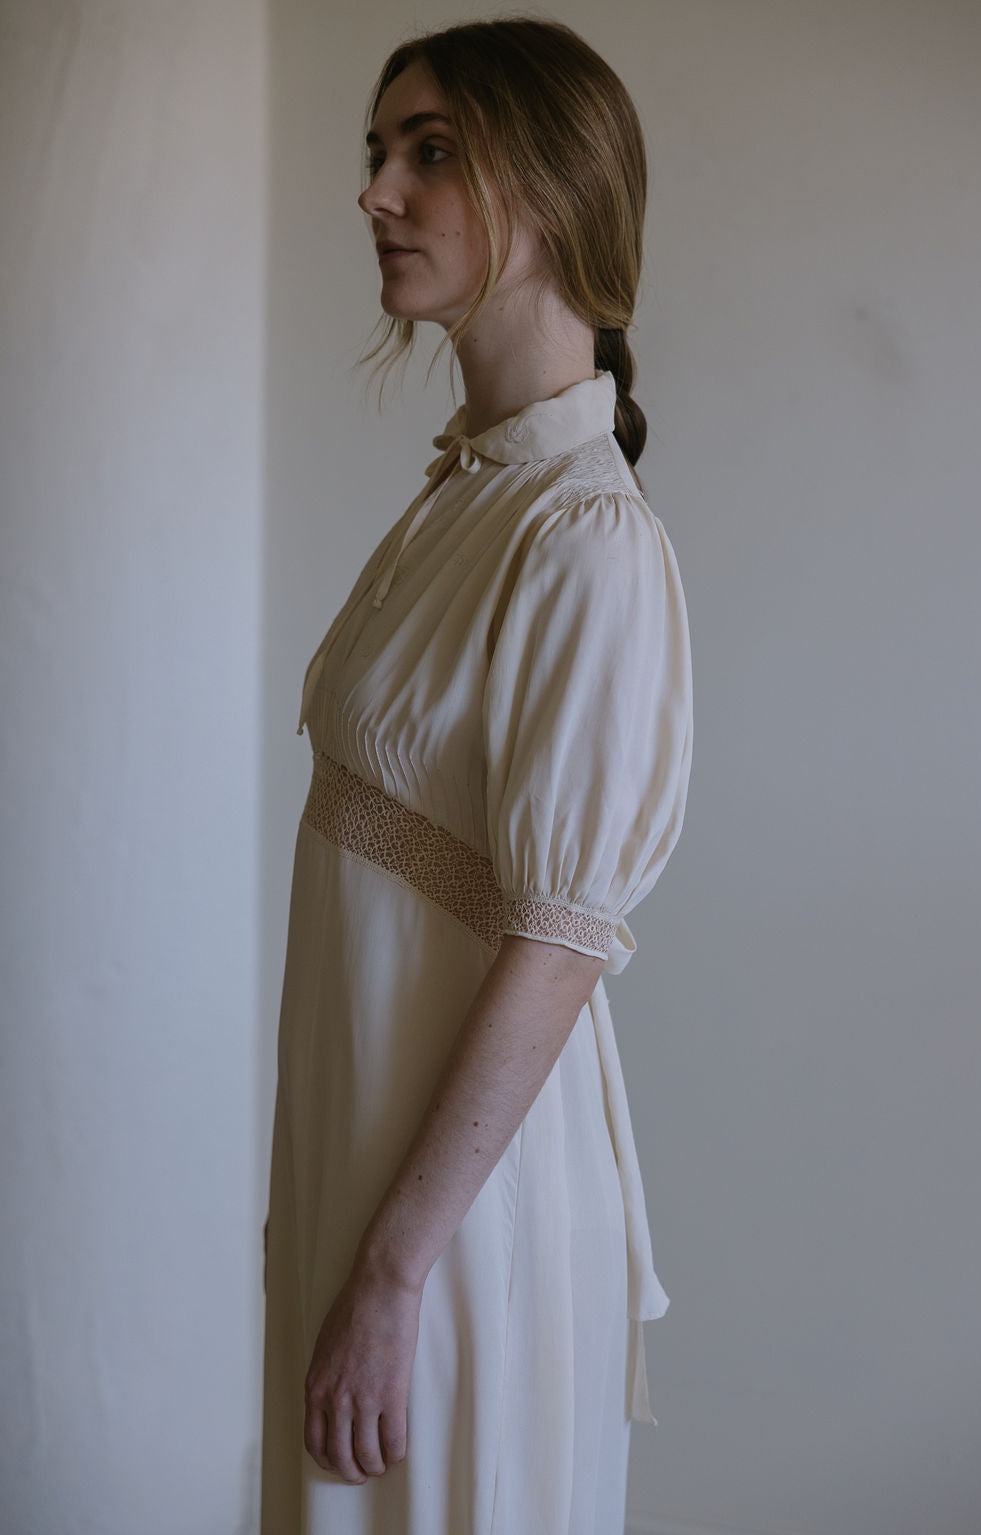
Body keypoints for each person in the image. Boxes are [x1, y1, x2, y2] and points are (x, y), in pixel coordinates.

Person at [261, 17, 693, 1535]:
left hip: (458, 1232)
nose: (376, 190)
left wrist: (392, 1272)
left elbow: (558, 942)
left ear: (557, 190)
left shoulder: (588, 537)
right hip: (370, 1175)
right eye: (379, 150)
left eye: (430, 151)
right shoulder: (469, 492)